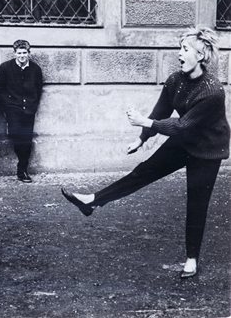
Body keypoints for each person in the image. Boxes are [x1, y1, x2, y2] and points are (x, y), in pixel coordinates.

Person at [61, 27, 230, 279]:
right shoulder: (175, 80)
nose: (179, 54)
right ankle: (92, 201)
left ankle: (192, 259)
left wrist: (144, 123)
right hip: (184, 140)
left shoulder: (212, 92)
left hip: (207, 150)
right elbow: (161, 112)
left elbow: (181, 125)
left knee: (196, 203)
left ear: (201, 55)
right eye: (179, 48)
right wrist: (141, 139)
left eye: (185, 49)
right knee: (143, 172)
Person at [0, 39, 43, 183]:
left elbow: (38, 89)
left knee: (27, 140)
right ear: (14, 53)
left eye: (24, 53)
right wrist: (5, 106)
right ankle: (21, 167)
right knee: (16, 137)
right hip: (12, 109)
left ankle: (22, 169)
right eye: (19, 53)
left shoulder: (35, 69)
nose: (22, 56)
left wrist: (33, 105)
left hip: (28, 110)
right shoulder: (5, 67)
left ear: (29, 53)